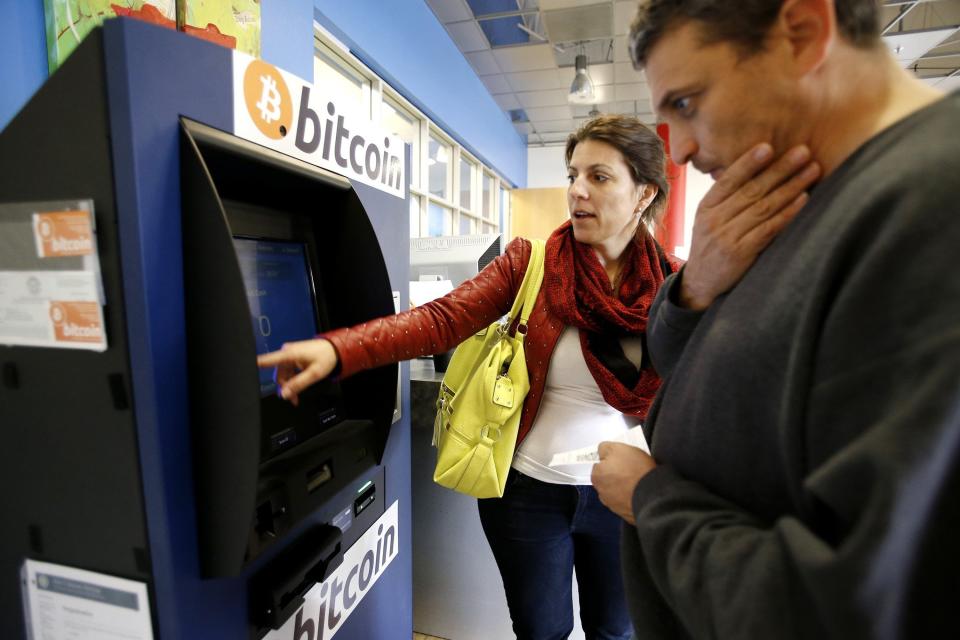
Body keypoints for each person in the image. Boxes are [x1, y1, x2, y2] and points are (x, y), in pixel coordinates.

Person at [258, 114, 779, 640]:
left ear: (644, 193)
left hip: (628, 491)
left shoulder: (676, 283)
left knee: (616, 632)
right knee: (540, 630)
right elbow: (441, 321)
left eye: (599, 177)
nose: (576, 191)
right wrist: (339, 348)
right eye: (573, 174)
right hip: (526, 493)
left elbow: (726, 375)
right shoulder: (532, 263)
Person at [590, 1, 960, 638]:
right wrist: (696, 287)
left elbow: (856, 605)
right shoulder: (798, 195)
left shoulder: (932, 206)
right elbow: (693, 365)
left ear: (804, 31)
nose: (679, 150)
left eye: (686, 103)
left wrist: (651, 502)